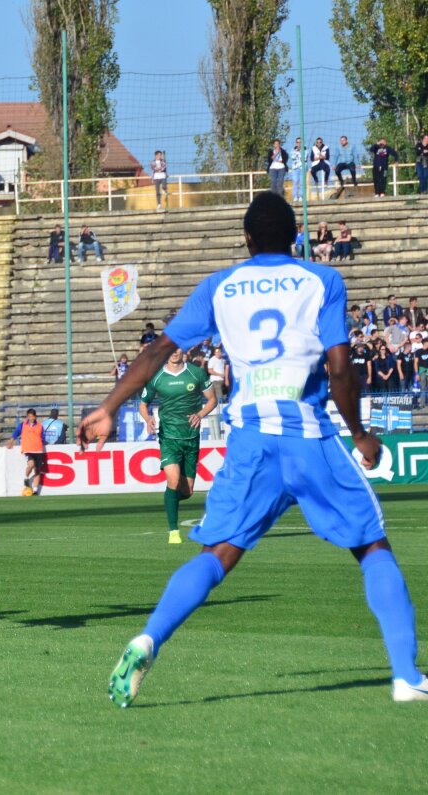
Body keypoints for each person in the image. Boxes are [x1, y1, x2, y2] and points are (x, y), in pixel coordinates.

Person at [79, 191, 427, 707]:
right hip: (308, 434)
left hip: (249, 440)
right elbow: (338, 367)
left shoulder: (219, 286)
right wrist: (358, 431)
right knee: (372, 546)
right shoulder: (322, 279)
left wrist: (109, 407)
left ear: (246, 238)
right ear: (296, 237)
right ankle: (406, 676)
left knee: (217, 555)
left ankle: (148, 637)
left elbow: (157, 350)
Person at [139, 348, 217, 544]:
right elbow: (143, 403)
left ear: (184, 351)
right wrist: (148, 418)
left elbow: (212, 399)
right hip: (169, 437)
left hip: (191, 438)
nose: (174, 352)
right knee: (172, 480)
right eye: (171, 349)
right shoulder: (156, 376)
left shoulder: (196, 373)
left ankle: (170, 500)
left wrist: (200, 415)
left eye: (178, 348)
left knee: (187, 491)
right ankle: (173, 531)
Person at [7, 409, 46, 496]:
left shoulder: (40, 426)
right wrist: (11, 441)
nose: (31, 418)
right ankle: (26, 478)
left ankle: (35, 490)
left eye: (32, 416)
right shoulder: (23, 425)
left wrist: (41, 442)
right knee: (31, 465)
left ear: (35, 416)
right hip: (28, 449)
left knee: (38, 470)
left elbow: (43, 437)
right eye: (29, 416)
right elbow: (16, 433)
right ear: (27, 417)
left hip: (38, 450)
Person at [288, 138, 304, 203]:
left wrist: (298, 153)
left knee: (302, 183)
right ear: (296, 143)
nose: (299, 144)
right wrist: (298, 153)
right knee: (295, 182)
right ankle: (295, 196)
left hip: (302, 168)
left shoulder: (305, 149)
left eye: (300, 142)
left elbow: (304, 157)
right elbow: (292, 157)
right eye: (297, 142)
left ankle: (301, 196)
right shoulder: (292, 150)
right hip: (295, 168)